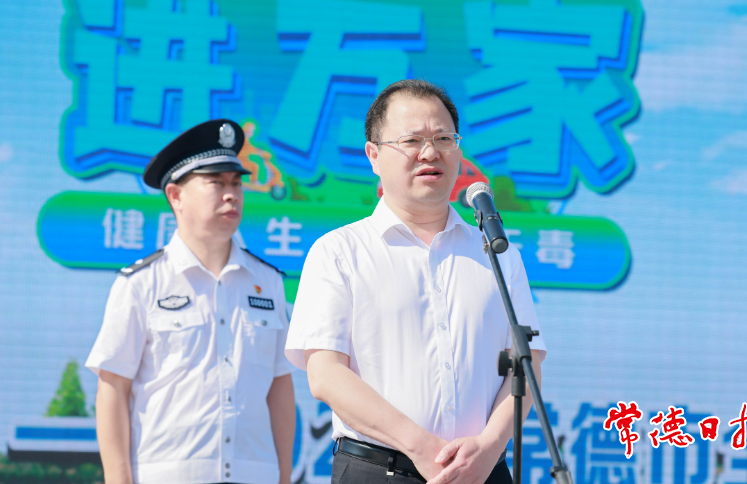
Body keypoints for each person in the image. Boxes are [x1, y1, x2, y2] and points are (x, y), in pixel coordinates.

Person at [284, 80, 547, 484]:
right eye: (411, 140)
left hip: (484, 471)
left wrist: (490, 446)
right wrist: (422, 448)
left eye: (444, 138)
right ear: (374, 155)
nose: (430, 152)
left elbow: (527, 365)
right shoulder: (339, 251)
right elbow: (325, 375)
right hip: (379, 471)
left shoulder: (496, 252)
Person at [86, 119, 295, 484]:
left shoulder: (268, 282)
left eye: (236, 183)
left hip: (254, 475)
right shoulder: (141, 283)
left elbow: (279, 387)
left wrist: (283, 475)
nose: (231, 195)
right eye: (215, 182)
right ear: (175, 196)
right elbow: (113, 387)